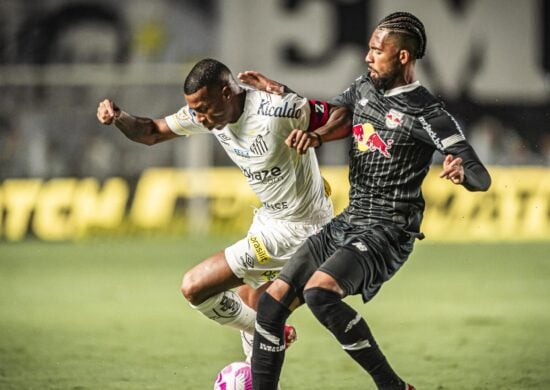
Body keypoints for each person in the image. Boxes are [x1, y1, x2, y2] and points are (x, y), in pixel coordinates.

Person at [240, 11, 492, 390]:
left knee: (319, 293)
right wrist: (316, 131)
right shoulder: (364, 87)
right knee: (270, 307)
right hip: (351, 219)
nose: (367, 57)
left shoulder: (428, 113)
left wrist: (461, 172)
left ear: (403, 57)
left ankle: (391, 386)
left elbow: (481, 175)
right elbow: (340, 113)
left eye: (377, 50)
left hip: (389, 230)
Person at [96, 58, 350, 361]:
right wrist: (119, 117)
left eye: (204, 108)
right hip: (270, 219)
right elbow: (151, 132)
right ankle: (264, 347)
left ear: (226, 93)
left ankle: (267, 330)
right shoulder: (205, 113)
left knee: (195, 287)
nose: (200, 118)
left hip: (301, 227)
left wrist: (317, 135)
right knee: (249, 306)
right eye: (195, 110)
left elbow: (344, 115)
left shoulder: (277, 109)